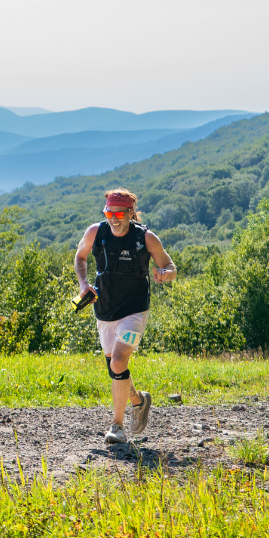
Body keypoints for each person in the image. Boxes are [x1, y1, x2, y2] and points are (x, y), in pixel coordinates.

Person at [74, 188, 177, 444]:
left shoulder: (146, 238)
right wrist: (83, 283)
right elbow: (80, 257)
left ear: (131, 213)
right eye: (109, 212)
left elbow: (171, 266)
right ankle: (139, 400)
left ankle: (116, 427)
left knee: (118, 363)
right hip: (105, 309)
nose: (113, 218)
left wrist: (165, 274)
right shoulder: (95, 232)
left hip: (134, 309)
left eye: (119, 213)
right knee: (114, 368)